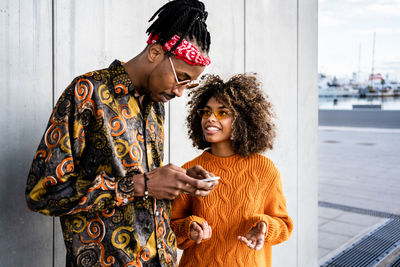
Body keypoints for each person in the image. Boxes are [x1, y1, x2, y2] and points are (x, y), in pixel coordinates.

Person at [25, 1, 218, 266]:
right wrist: (140, 185)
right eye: (181, 78)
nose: (180, 92)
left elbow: (143, 188)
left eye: (189, 84)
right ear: (154, 53)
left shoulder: (155, 106)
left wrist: (180, 180)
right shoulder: (87, 93)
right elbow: (43, 194)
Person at [170, 74, 294, 267]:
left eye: (222, 113)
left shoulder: (264, 169)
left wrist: (265, 226)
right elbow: (170, 230)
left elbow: (284, 225)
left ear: (242, 119)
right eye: (206, 112)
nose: (210, 118)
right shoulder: (190, 171)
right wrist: (189, 228)